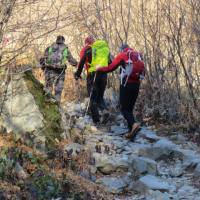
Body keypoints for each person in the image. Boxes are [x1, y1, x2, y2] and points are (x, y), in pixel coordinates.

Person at [96, 44, 145, 140]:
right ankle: (131, 132)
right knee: (129, 108)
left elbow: (110, 68)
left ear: (122, 50)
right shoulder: (138, 55)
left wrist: (99, 68)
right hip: (137, 85)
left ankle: (134, 125)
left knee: (123, 109)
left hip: (126, 85)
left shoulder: (122, 55)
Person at [74, 36, 110, 124]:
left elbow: (82, 61)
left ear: (86, 42)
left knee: (92, 98)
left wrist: (77, 74)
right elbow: (110, 62)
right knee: (100, 96)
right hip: (104, 75)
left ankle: (96, 121)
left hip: (92, 75)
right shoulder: (103, 50)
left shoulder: (87, 50)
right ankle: (104, 110)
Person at [40, 35, 77, 103]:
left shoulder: (49, 48)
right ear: (63, 41)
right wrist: (76, 64)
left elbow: (42, 59)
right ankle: (57, 105)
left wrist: (43, 68)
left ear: (56, 40)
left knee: (48, 87)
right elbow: (72, 61)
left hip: (49, 70)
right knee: (58, 90)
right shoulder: (66, 50)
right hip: (60, 72)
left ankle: (46, 104)